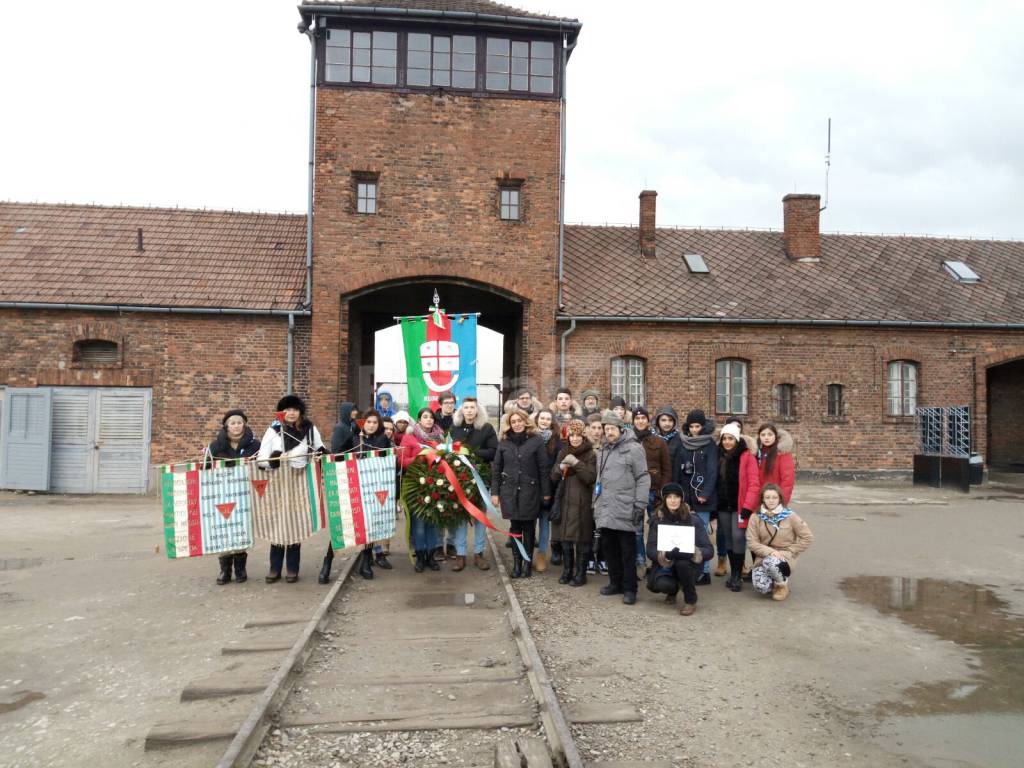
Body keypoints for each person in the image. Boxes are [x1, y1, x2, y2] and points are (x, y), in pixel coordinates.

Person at [257, 394, 325, 583]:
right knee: (279, 522)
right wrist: (274, 459)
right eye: (287, 410)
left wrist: (321, 456)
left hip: (299, 479)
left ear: (300, 411)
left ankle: (292, 569)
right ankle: (274, 568)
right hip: (278, 481)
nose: (291, 413)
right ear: (282, 412)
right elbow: (261, 458)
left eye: (295, 409)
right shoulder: (273, 430)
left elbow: (320, 449)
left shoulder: (309, 429)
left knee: (295, 523)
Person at [593, 410, 650, 605]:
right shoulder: (603, 451)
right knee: (609, 549)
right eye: (606, 428)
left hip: (626, 507)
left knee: (627, 551)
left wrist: (640, 504)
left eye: (612, 428)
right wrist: (596, 503)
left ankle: (630, 588)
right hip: (606, 507)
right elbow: (599, 480)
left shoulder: (634, 449)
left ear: (620, 429)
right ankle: (615, 582)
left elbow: (643, 477)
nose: (609, 432)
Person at [491, 409, 551, 578]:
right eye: (513, 422)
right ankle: (517, 564)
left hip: (530, 491)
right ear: (509, 424)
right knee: (515, 528)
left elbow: (543, 468)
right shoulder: (503, 442)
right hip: (509, 492)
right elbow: (497, 468)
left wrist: (546, 493)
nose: (516, 424)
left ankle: (527, 563)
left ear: (526, 422)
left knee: (529, 529)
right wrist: (495, 492)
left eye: (519, 421)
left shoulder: (536, 441)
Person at [206, 409, 260, 585]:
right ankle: (225, 570)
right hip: (221, 494)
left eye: (239, 422)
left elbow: (262, 468)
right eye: (232, 423)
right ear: (226, 426)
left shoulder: (255, 446)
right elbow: (206, 471)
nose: (236, 426)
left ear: (244, 424)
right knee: (222, 530)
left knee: (240, 529)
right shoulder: (215, 446)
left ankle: (240, 569)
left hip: (244, 493)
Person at [645, 483, 714, 616]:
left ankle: (690, 600)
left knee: (682, 564)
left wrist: (693, 552)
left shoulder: (693, 519)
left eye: (676, 497)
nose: (673, 500)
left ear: (681, 499)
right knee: (662, 584)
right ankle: (672, 591)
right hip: (666, 564)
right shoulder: (657, 520)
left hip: (689, 565)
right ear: (664, 499)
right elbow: (650, 549)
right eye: (669, 497)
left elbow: (709, 550)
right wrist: (666, 554)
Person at [449, 397, 498, 571]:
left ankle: (479, 553)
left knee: (480, 516)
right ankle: (460, 554)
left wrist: (472, 453)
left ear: (477, 410)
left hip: (480, 477)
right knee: (460, 517)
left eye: (472, 407)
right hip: (460, 478)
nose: (469, 410)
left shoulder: (486, 428)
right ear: (461, 410)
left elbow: (494, 451)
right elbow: (450, 449)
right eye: (466, 407)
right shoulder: (455, 427)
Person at [746, 483, 813, 601]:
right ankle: (773, 581)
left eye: (774, 497)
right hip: (764, 556)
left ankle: (782, 585)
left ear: (780, 499)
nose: (771, 501)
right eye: (767, 497)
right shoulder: (755, 517)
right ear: (762, 499)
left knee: (771, 563)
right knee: (762, 587)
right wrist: (770, 552)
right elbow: (752, 542)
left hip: (785, 556)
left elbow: (807, 537)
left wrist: (790, 551)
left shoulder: (790, 516)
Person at [550, 419, 596, 586]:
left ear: (583, 436)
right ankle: (567, 571)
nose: (575, 439)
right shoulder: (563, 452)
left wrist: (576, 464)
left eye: (578, 435)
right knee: (566, 540)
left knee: (583, 540)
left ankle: (581, 574)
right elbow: (553, 478)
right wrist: (559, 467)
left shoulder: (590, 454)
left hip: (583, 502)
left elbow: (590, 477)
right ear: (567, 436)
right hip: (565, 501)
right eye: (572, 435)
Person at [715, 422, 760, 591]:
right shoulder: (719, 455)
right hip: (723, 504)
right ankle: (734, 574)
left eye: (730, 438)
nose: (727, 442)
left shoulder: (747, 456)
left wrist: (748, 506)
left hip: (740, 506)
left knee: (738, 536)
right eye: (724, 439)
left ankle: (737, 573)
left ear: (737, 439)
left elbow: (754, 484)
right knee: (727, 537)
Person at [399, 408, 446, 573]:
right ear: (418, 420)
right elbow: (401, 461)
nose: (429, 420)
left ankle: (431, 556)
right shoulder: (409, 437)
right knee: (418, 525)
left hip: (435, 486)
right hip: (415, 487)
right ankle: (420, 556)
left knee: (433, 523)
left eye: (431, 417)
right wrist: (420, 458)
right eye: (425, 417)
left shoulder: (440, 438)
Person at [677, 409, 718, 585]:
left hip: (702, 498)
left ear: (703, 427)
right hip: (686, 495)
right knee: (686, 533)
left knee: (702, 535)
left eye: (698, 426)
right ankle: (691, 567)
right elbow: (677, 470)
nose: (695, 430)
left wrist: (705, 493)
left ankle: (705, 571)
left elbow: (712, 471)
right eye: (692, 426)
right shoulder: (683, 443)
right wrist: (679, 495)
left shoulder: (709, 445)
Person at [631, 406, 671, 572]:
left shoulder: (659, 442)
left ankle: (658, 562)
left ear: (648, 421)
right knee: (637, 529)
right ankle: (640, 561)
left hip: (654, 492)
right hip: (635, 492)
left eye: (643, 418)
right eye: (637, 419)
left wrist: (662, 492)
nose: (640, 421)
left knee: (658, 528)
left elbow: (666, 469)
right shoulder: (628, 441)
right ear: (633, 421)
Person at [532, 408, 561, 573]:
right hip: (530, 486)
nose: (544, 421)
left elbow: (557, 464)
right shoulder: (530, 437)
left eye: (547, 419)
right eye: (542, 418)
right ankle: (527, 554)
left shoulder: (556, 441)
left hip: (547, 487)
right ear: (537, 420)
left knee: (544, 523)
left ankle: (542, 555)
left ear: (551, 422)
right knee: (529, 523)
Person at [756, 423, 796, 505]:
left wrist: (781, 502)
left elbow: (787, 481)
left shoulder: (782, 454)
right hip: (758, 500)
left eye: (770, 434)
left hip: (774, 501)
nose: (766, 437)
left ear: (775, 436)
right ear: (759, 437)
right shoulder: (756, 453)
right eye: (763, 435)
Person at [654, 405, 684, 477]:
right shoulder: (651, 438)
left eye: (670, 420)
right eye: (663, 420)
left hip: (673, 479)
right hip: (655, 480)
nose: (667, 423)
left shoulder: (680, 439)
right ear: (658, 421)